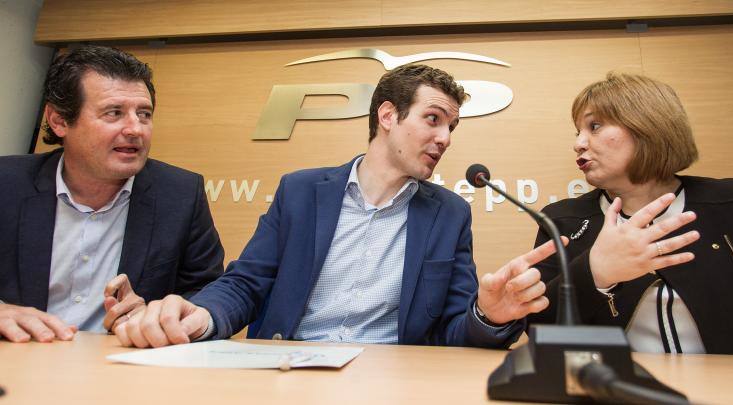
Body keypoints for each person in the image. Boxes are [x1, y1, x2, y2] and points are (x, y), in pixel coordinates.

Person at [115, 64, 563, 348]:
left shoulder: (449, 213)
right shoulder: (300, 191)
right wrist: (204, 315)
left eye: (452, 126)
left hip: (393, 383)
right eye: (433, 119)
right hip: (288, 376)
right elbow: (248, 284)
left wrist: (488, 314)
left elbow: (451, 330)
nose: (445, 138)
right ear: (388, 116)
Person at [528, 72, 733, 356]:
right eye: (578, 132)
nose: (579, 143)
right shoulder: (562, 221)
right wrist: (595, 275)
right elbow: (537, 326)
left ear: (648, 126)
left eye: (594, 126)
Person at [0, 45, 224, 343]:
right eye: (114, 113)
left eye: (144, 114)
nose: (135, 129)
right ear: (59, 121)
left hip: (121, 369)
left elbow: (206, 293)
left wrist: (160, 316)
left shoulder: (180, 194)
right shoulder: (7, 184)